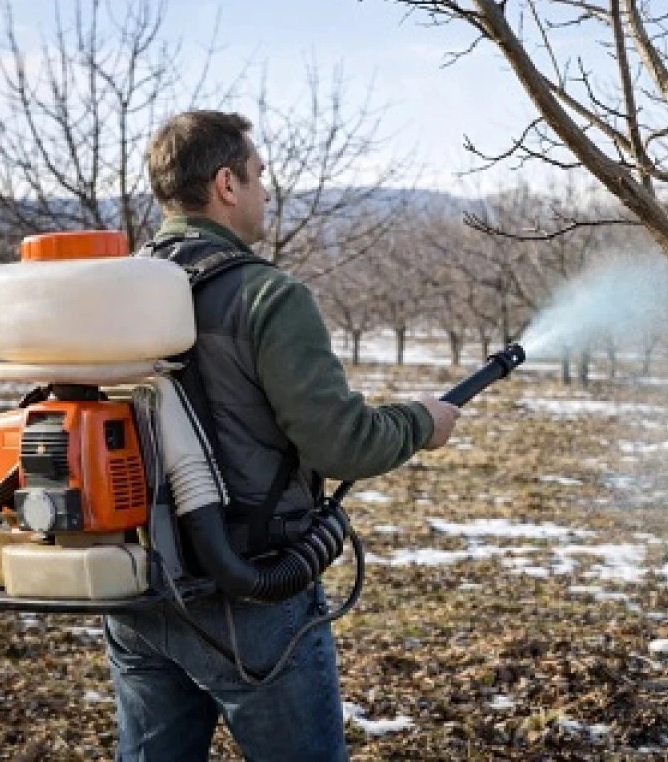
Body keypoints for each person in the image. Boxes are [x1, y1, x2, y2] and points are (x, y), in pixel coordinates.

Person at [104, 110, 461, 761]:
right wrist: (421, 422)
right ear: (226, 184)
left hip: (139, 594)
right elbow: (342, 443)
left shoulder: (114, 293)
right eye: (259, 175)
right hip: (252, 599)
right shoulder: (268, 296)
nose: (267, 191)